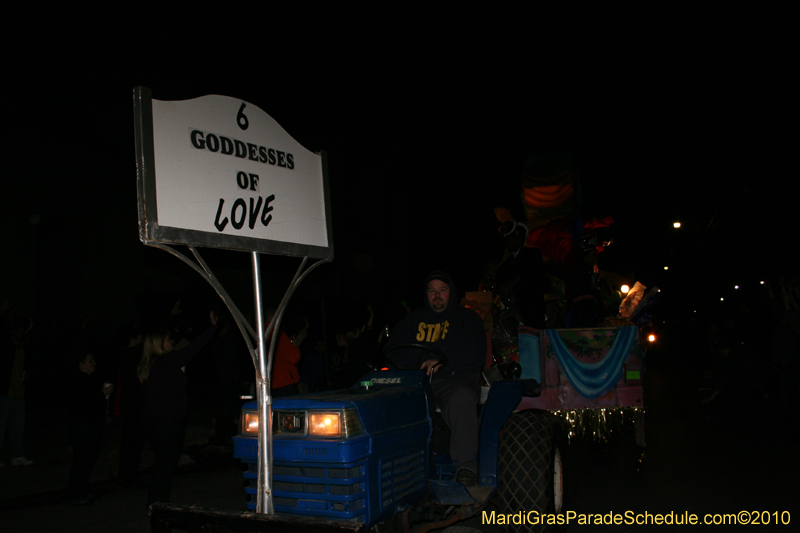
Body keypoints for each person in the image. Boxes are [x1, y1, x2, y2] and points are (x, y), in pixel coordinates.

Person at [385, 270, 486, 487]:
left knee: (461, 397)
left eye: (442, 290)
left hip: (455, 379)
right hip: (417, 382)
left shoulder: (468, 319)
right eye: (432, 291)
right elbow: (393, 352)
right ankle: (398, 469)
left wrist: (445, 361)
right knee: (388, 402)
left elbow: (476, 355)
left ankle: (466, 467)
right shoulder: (410, 321)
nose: (437, 295)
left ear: (451, 292)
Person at [139, 310, 218, 507]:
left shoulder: (151, 364)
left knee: (161, 464)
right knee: (166, 466)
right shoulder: (166, 362)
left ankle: (154, 503)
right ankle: (160, 506)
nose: (171, 341)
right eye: (167, 340)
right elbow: (193, 349)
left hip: (156, 420)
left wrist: (172, 317)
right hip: (168, 421)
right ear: (159, 344)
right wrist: (212, 328)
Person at [67, 350, 113, 505]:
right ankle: (76, 494)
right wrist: (102, 393)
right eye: (90, 361)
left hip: (88, 426)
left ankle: (82, 491)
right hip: (83, 427)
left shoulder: (88, 379)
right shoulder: (79, 380)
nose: (94, 364)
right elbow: (85, 403)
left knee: (87, 460)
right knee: (82, 460)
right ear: (81, 364)